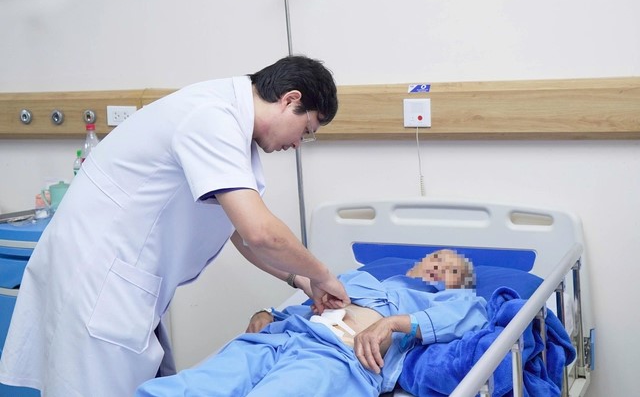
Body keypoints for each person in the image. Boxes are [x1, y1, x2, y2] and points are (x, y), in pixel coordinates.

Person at [0, 56, 350, 397]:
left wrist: (301, 280)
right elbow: (259, 233)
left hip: (118, 282)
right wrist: (321, 275)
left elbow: (239, 231)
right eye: (306, 131)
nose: (297, 144)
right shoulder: (212, 118)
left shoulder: (226, 120)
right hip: (97, 284)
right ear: (290, 100)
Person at [135, 250, 489, 397]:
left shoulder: (451, 300)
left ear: (461, 281)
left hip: (337, 357)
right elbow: (313, 303)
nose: (438, 266)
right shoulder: (361, 279)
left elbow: (471, 316)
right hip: (281, 338)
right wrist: (268, 315)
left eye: (451, 268)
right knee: (190, 387)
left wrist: (394, 323)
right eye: (435, 258)